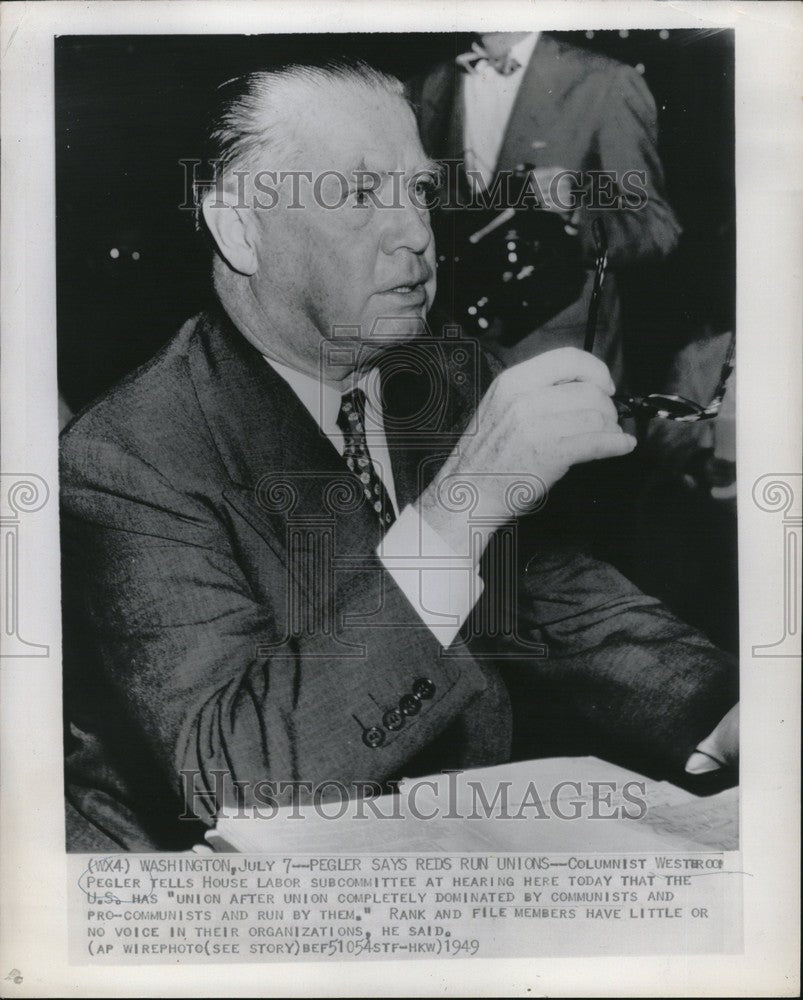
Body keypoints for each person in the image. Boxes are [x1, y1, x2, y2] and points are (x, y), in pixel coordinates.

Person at [60, 62, 737, 852]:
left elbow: (558, 600)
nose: (418, 233)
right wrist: (462, 505)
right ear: (240, 229)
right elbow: (236, 780)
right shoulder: (129, 456)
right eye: (359, 194)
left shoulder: (445, 376)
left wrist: (731, 713)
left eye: (417, 191)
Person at [408, 31, 682, 376]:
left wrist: (575, 210)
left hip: (558, 366)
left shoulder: (605, 82)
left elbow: (656, 226)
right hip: (452, 367)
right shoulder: (425, 87)